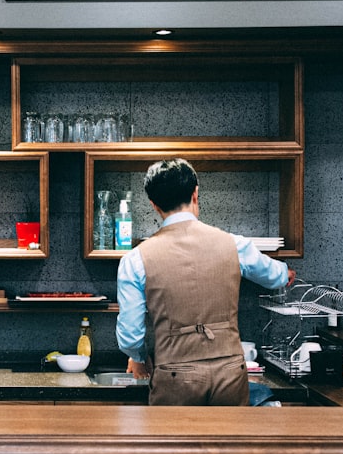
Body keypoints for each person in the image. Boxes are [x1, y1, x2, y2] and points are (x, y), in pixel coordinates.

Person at [115, 158, 295, 406]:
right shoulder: (234, 244)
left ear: (154, 205)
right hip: (230, 372)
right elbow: (274, 276)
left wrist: (136, 357)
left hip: (175, 376)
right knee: (227, 445)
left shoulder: (135, 259)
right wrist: (285, 274)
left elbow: (131, 334)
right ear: (196, 193)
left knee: (176, 446)